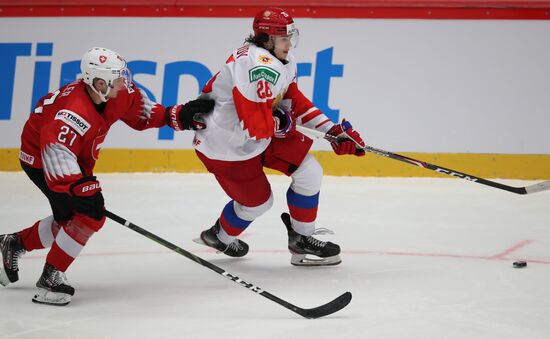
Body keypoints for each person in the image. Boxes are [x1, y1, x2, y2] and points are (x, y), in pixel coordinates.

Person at [0, 47, 213, 305]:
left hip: (75, 160)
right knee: (88, 216)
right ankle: (50, 279)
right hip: (43, 162)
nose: (125, 83)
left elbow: (143, 113)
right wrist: (80, 187)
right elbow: (55, 151)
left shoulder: (116, 94)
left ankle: (15, 243)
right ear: (100, 83)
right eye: (118, 78)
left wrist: (176, 116)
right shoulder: (71, 113)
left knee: (71, 218)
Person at [193, 7, 366, 266]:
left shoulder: (281, 60)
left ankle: (302, 241)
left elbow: (293, 103)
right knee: (259, 203)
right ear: (266, 39)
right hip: (225, 145)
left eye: (290, 37)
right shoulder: (256, 65)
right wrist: (285, 124)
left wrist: (332, 131)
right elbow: (255, 124)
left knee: (310, 172)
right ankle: (219, 236)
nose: (289, 44)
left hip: (255, 137)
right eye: (284, 38)